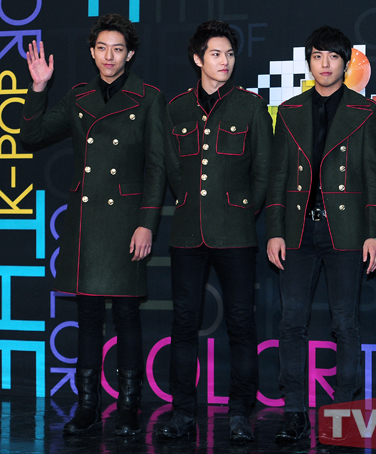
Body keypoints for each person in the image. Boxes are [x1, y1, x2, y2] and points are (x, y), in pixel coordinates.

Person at [20, 14, 167, 436]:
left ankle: (129, 406)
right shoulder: (77, 96)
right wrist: (39, 87)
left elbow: (157, 167)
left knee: (126, 314)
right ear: (91, 52)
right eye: (102, 48)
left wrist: (147, 224)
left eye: (117, 49)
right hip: (86, 221)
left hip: (126, 221)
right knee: (87, 315)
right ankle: (87, 405)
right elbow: (31, 135)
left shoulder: (149, 98)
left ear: (130, 54)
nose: (109, 56)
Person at [266, 26, 376, 442]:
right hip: (297, 231)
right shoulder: (289, 110)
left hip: (346, 231)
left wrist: (374, 233)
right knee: (291, 323)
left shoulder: (365, 111)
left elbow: (375, 177)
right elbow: (278, 176)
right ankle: (295, 413)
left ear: (346, 62)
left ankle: (343, 417)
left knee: (345, 324)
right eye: (318, 56)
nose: (325, 64)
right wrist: (275, 230)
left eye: (333, 57)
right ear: (309, 62)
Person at [159, 20, 273, 442]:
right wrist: (193, 201)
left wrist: (242, 209)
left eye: (229, 54)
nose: (224, 61)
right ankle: (182, 412)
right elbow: (173, 168)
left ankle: (240, 411)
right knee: (183, 323)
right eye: (215, 54)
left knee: (241, 323)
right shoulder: (177, 108)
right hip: (188, 231)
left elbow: (263, 171)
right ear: (197, 58)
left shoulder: (250, 106)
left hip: (236, 232)